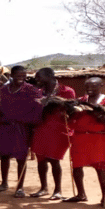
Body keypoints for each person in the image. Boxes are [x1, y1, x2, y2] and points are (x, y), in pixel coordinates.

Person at [0, 65, 43, 197]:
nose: (22, 78)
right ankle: (4, 183)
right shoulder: (4, 90)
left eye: (24, 76)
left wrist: (30, 124)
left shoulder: (31, 90)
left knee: (21, 158)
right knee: (4, 155)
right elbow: (2, 107)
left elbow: (37, 109)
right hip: (5, 126)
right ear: (11, 76)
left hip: (22, 128)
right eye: (19, 76)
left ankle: (20, 187)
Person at [64, 77, 105, 205]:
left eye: (93, 86)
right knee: (77, 167)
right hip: (80, 137)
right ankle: (81, 194)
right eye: (87, 87)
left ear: (101, 85)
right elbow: (71, 118)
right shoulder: (80, 100)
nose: (89, 89)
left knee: (101, 169)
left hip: (98, 138)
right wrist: (70, 111)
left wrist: (95, 112)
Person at [29, 67, 76, 200]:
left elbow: (71, 110)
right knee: (41, 160)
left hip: (59, 129)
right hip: (40, 128)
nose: (36, 79)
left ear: (50, 76)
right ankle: (43, 188)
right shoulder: (38, 92)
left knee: (54, 159)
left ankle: (58, 190)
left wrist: (51, 102)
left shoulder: (66, 91)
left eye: (39, 76)